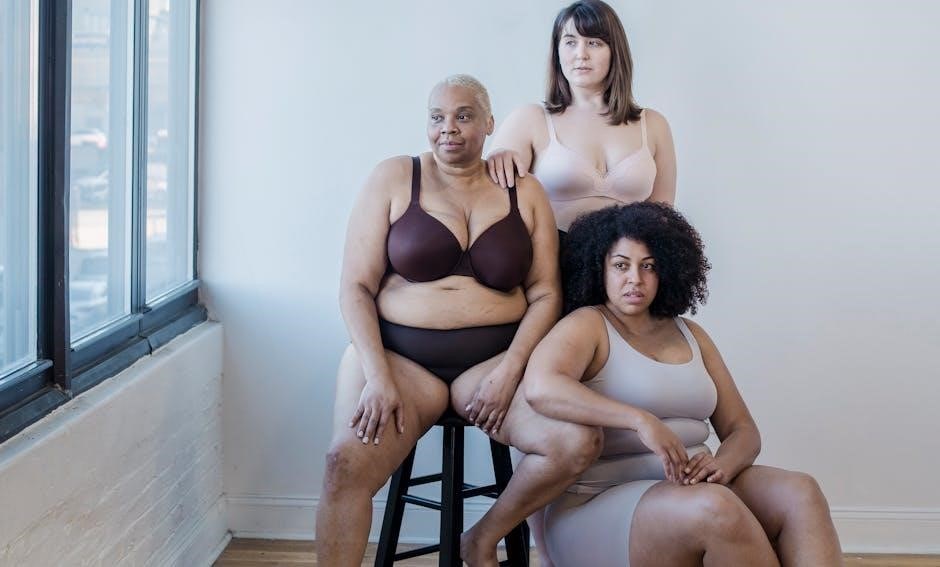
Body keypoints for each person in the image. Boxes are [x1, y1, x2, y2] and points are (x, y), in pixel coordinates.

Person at [315, 74, 603, 567]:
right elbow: (355, 288)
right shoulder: (394, 178)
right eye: (437, 117)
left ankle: (481, 538)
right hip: (399, 364)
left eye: (463, 116)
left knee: (577, 442)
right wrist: (379, 376)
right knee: (344, 465)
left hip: (491, 367)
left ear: (489, 124)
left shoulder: (524, 191)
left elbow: (545, 292)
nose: (448, 127)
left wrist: (511, 369)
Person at [522, 202, 843, 567]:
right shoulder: (588, 325)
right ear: (599, 268)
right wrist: (640, 420)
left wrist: (722, 465)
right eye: (621, 265)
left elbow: (743, 430)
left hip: (690, 488)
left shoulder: (691, 333)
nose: (635, 279)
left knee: (801, 492)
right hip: (601, 503)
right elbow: (541, 387)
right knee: (714, 507)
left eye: (649, 266)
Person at [487, 0, 677, 235]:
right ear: (557, 52)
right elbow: (491, 205)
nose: (581, 54)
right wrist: (495, 158)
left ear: (615, 51)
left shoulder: (654, 125)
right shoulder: (530, 119)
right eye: (570, 42)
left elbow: (663, 220)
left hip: (628, 256)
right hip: (553, 254)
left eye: (594, 43)